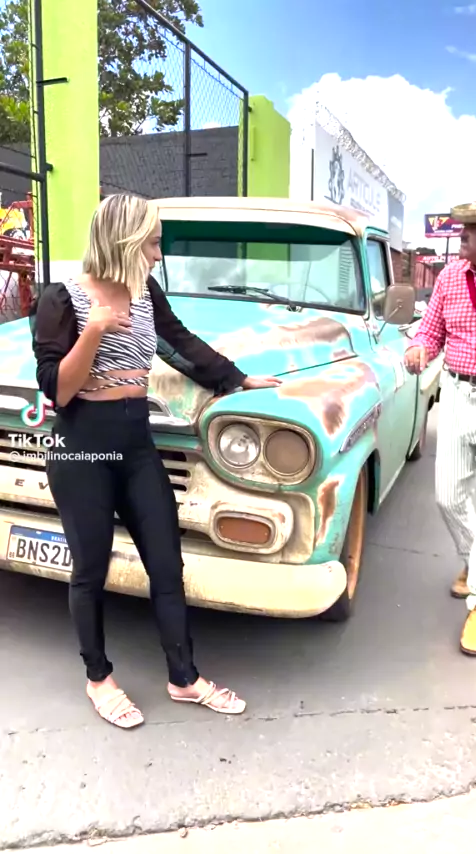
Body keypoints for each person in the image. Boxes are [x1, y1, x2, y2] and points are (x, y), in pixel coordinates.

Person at [30, 193, 282, 727]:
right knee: (90, 569)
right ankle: (99, 678)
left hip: (136, 446)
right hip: (83, 448)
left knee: (167, 564)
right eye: (152, 243)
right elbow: (58, 389)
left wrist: (236, 378)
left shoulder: (145, 292)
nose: (158, 254)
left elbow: (179, 343)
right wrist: (94, 330)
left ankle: (183, 678)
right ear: (123, 241)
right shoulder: (62, 298)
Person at [404, 193, 476, 655]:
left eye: (472, 230)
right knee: (447, 495)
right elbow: (430, 330)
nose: (464, 237)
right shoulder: (452, 276)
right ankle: (474, 559)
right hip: (456, 391)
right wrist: (418, 348)